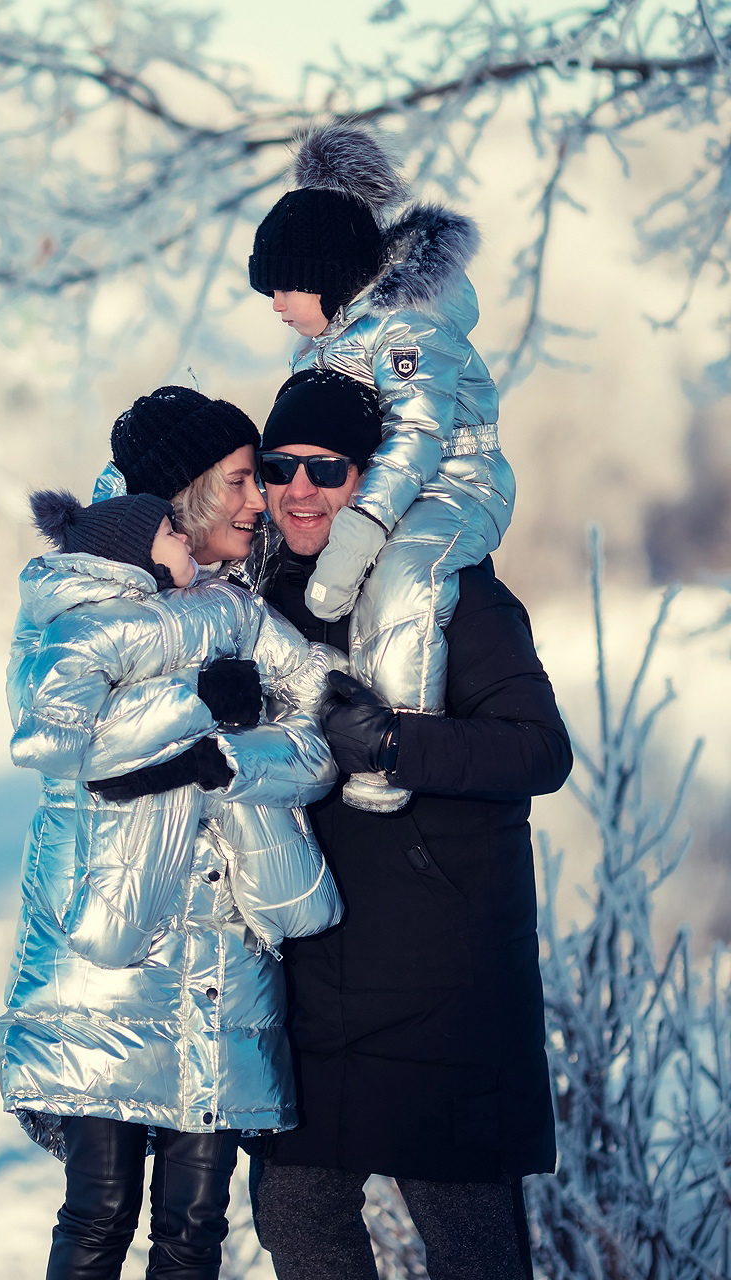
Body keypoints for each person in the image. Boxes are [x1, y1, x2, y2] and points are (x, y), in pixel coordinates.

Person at [247, 368, 573, 1280]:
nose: (298, 490)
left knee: (471, 1244)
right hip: (318, 977)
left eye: (328, 468)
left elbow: (539, 751)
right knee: (295, 1212)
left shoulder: (451, 592)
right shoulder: (261, 603)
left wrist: (396, 742)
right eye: (279, 468)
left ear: (371, 478)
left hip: (444, 977)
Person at [0, 481, 341, 1279]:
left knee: (194, 1224)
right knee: (101, 1207)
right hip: (108, 973)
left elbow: (311, 714)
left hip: (222, 966)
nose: (256, 497)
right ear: (146, 536)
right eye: (237, 480)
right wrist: (198, 700)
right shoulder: (75, 624)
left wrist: (236, 752)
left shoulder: (240, 612)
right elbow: (67, 745)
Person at [249, 122, 517, 813]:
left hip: (456, 482)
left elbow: (420, 433)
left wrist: (365, 524)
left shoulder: (407, 330)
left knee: (403, 576)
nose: (274, 305)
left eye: (284, 288)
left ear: (326, 280)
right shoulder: (326, 341)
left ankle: (390, 743)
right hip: (382, 484)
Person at [92, 383, 265, 572]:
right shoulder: (117, 597)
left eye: (256, 480)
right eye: (237, 482)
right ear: (181, 496)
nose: (259, 502)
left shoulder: (277, 565)